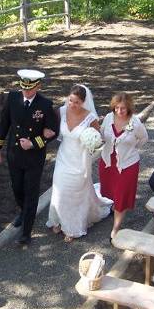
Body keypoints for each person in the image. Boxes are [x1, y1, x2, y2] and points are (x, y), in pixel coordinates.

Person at [0, 70, 58, 245]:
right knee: (17, 188)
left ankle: (26, 232)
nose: (25, 92)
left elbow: (52, 133)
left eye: (29, 89)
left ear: (38, 86)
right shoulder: (12, 98)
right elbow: (4, 123)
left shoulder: (45, 105)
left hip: (34, 158)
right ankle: (23, 211)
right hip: (14, 154)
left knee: (31, 193)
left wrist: (34, 143)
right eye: (23, 88)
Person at [47, 85, 113, 242]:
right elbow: (49, 126)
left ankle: (72, 226)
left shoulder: (90, 117)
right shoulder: (61, 111)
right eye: (70, 100)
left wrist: (92, 142)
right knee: (60, 188)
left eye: (76, 102)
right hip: (64, 157)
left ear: (83, 102)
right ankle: (57, 219)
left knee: (75, 191)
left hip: (80, 159)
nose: (72, 104)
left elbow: (99, 138)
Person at [99, 92, 148, 239]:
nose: (119, 111)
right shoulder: (108, 118)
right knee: (111, 191)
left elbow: (143, 139)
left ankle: (116, 227)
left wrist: (130, 148)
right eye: (117, 108)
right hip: (108, 162)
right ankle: (116, 207)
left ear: (129, 109)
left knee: (121, 196)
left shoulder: (135, 123)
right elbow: (102, 135)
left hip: (127, 165)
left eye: (123, 109)